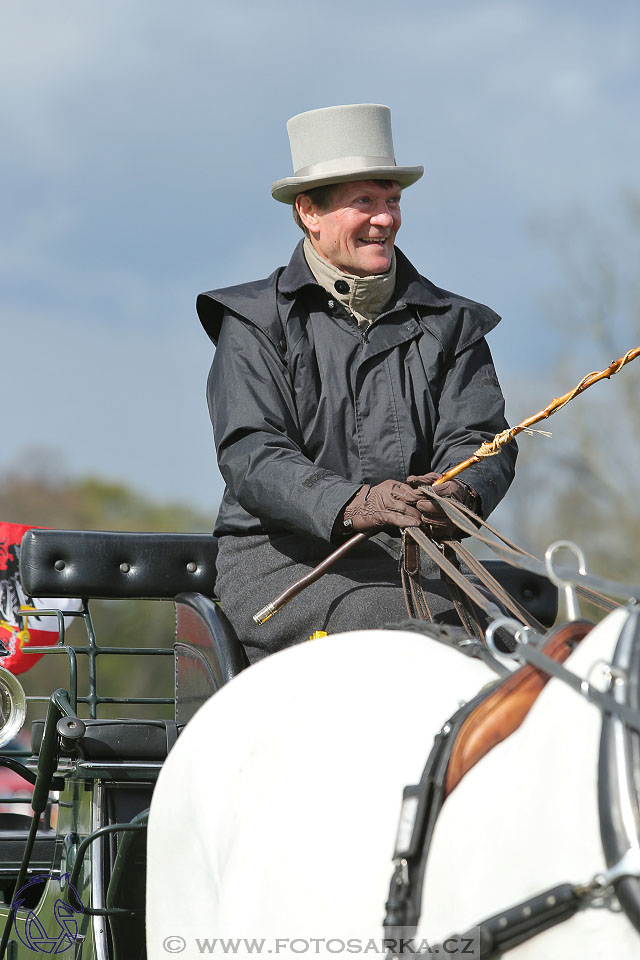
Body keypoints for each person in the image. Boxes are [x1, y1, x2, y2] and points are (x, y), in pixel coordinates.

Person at [196, 103, 517, 663]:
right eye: (363, 202)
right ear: (308, 213)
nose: (385, 218)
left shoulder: (453, 323)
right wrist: (354, 503)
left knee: (528, 644)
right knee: (414, 638)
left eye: (391, 200)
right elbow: (254, 455)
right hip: (285, 564)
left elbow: (481, 438)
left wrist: (458, 493)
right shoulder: (252, 322)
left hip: (421, 557)